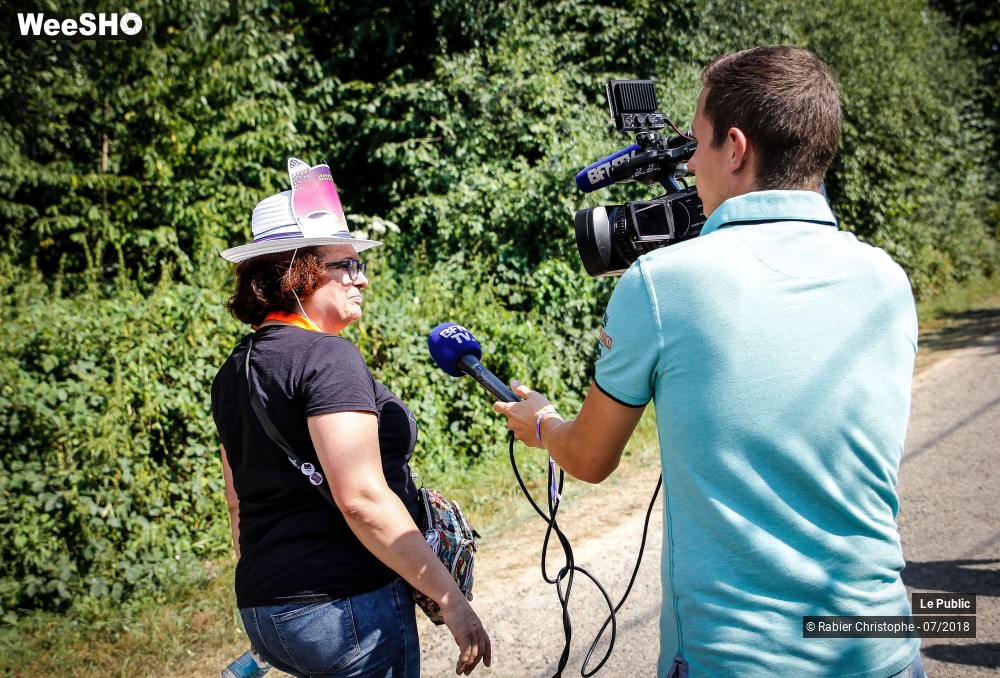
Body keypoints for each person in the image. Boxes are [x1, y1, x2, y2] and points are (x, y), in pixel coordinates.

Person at [494, 46, 925, 677]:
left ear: (737, 148)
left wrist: (540, 424)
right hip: (882, 645)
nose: (689, 161)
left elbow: (588, 458)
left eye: (695, 141)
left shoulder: (661, 283)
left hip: (737, 659)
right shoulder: (887, 279)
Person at [212, 158, 491, 677]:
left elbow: (236, 502)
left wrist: (277, 587)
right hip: (344, 606)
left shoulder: (234, 369)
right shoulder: (328, 357)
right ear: (300, 271)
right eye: (347, 265)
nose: (361, 279)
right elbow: (361, 499)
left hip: (266, 610)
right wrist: (449, 599)